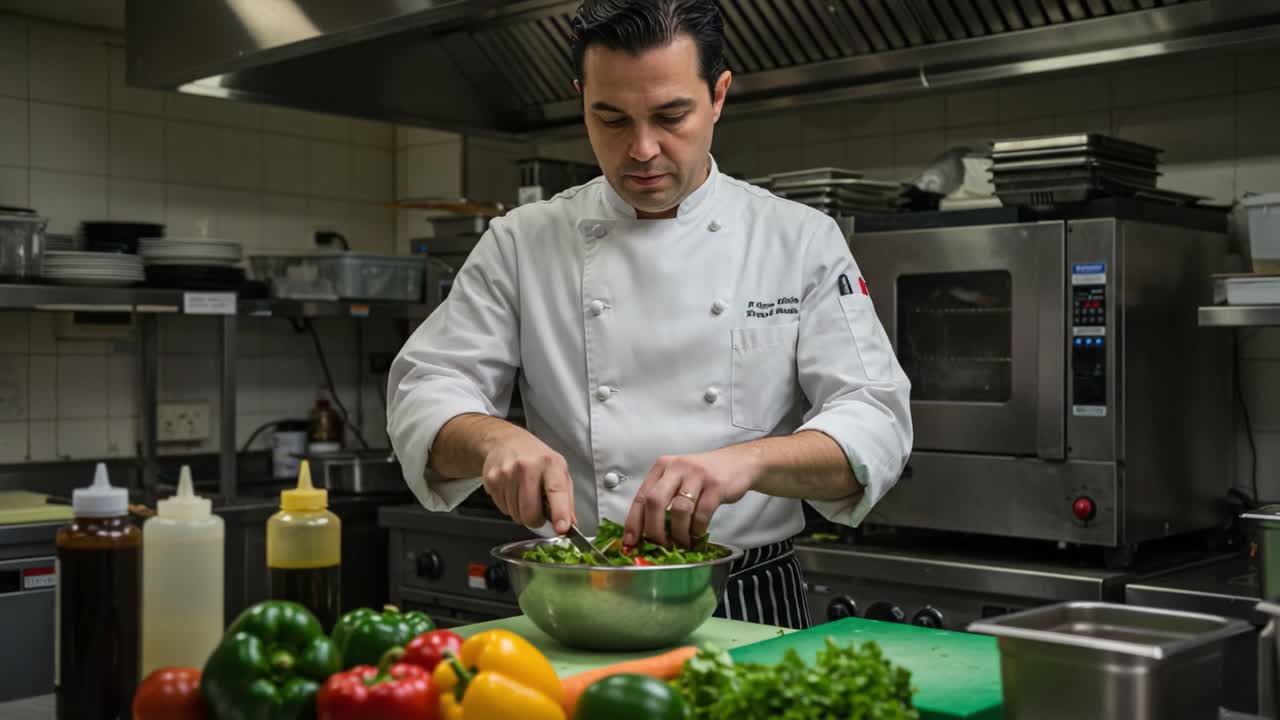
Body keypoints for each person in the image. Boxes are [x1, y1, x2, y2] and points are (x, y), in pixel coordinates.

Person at [387, 0, 912, 629]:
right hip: (581, 585)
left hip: (745, 593)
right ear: (581, 98)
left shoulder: (797, 238)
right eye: (609, 119)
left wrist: (750, 461)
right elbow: (426, 392)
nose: (641, 149)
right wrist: (492, 439)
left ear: (718, 95)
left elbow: (875, 419)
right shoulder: (523, 242)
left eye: (671, 116)